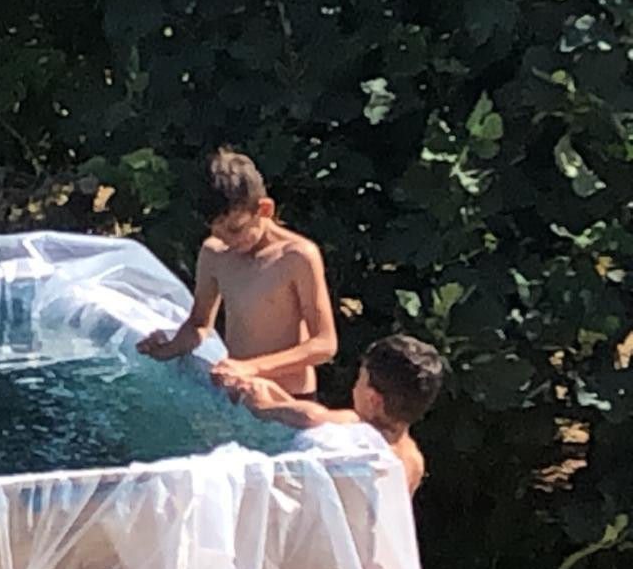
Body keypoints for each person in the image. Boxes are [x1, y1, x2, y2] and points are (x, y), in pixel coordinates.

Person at [137, 148, 337, 398]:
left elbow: (324, 344)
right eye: (218, 232)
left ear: (265, 210)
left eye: (235, 229)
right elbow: (200, 323)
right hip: (239, 394)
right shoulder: (215, 253)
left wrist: (252, 368)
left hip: (288, 398)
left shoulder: (296, 256)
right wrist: (169, 347)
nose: (228, 240)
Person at [227, 335, 445, 493]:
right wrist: (274, 391)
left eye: (360, 379)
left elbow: (312, 417)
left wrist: (264, 406)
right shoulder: (413, 461)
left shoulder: (355, 428)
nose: (354, 386)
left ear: (374, 400)